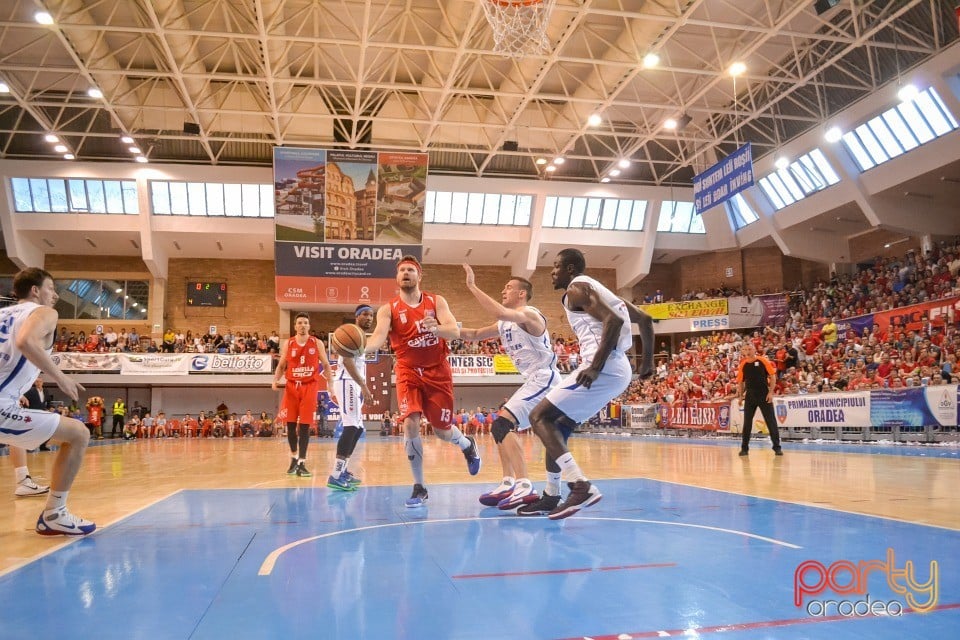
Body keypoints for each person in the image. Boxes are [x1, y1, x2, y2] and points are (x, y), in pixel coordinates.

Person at [524, 248, 654, 520]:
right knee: (558, 427)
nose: (552, 271)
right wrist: (647, 362)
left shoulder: (577, 288)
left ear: (570, 269)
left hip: (603, 367)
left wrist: (595, 367)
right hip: (617, 367)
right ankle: (551, 495)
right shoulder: (604, 292)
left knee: (538, 416)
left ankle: (580, 486)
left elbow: (614, 321)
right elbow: (645, 319)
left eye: (557, 266)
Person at [364, 255, 481, 507]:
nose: (406, 273)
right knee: (410, 423)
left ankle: (466, 443)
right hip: (407, 371)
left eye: (411, 270)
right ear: (397, 278)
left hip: (437, 371)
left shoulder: (436, 301)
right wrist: (361, 349)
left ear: (420, 276)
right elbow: (377, 337)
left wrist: (436, 328)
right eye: (402, 270)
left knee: (442, 431)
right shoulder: (388, 309)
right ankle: (419, 486)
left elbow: (454, 331)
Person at [0, 267, 95, 535]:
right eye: (51, 288)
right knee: (78, 434)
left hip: (7, 399)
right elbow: (25, 341)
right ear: (35, 290)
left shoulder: (2, 315)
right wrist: (61, 377)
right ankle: (55, 513)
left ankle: (27, 484)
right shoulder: (44, 313)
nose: (54, 295)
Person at [460, 264, 560, 510]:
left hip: (545, 378)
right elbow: (472, 334)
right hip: (533, 380)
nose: (504, 290)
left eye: (509, 287)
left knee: (503, 422)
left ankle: (525, 485)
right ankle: (508, 482)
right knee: (499, 427)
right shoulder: (504, 324)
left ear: (522, 294)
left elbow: (503, 313)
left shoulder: (530, 314)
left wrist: (472, 286)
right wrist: (435, 329)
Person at [272, 312, 334, 477]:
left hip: (309, 387)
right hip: (292, 386)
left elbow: (327, 365)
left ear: (309, 325)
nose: (302, 325)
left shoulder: (317, 342)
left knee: (305, 427)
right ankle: (293, 457)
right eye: (299, 322)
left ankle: (302, 462)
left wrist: (331, 385)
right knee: (291, 426)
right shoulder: (289, 343)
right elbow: (282, 364)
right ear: (295, 326)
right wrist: (275, 380)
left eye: (305, 322)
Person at [327, 305, 376, 491]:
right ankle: (335, 474)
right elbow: (347, 361)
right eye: (365, 314)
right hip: (346, 381)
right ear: (356, 317)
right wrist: (364, 386)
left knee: (357, 429)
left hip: (354, 384)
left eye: (372, 315)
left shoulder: (361, 337)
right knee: (351, 427)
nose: (369, 318)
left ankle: (343, 470)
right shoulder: (348, 333)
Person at [736, 342, 783, 456]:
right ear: (743, 351)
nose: (747, 351)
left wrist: (771, 392)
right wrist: (741, 396)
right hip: (750, 396)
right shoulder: (743, 364)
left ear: (754, 350)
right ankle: (744, 449)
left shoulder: (762, 360)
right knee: (747, 423)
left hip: (764, 394)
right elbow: (740, 382)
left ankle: (777, 448)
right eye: (745, 349)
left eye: (750, 349)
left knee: (771, 421)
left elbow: (772, 376)